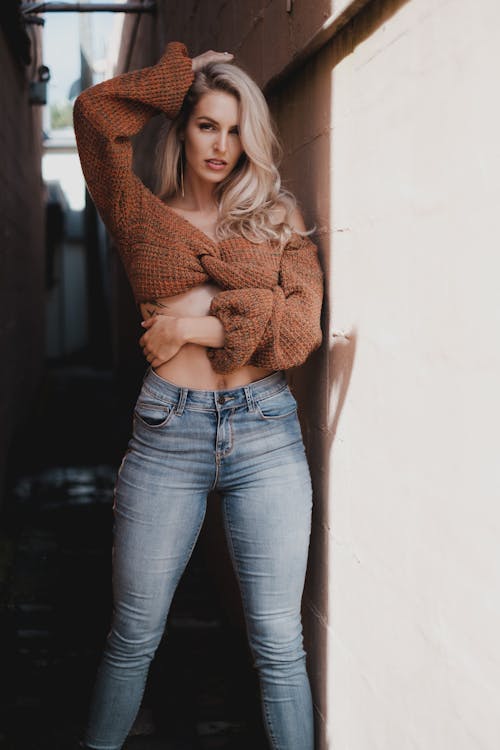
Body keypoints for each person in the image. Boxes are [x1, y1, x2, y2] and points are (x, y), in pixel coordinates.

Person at [73, 40, 323, 750]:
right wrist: (176, 75)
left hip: (266, 432)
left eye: (236, 127)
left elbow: (298, 329)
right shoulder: (139, 214)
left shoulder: (274, 217)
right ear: (182, 128)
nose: (221, 144)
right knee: (133, 635)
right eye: (206, 123)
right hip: (167, 434)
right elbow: (93, 117)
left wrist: (194, 324)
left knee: (278, 644)